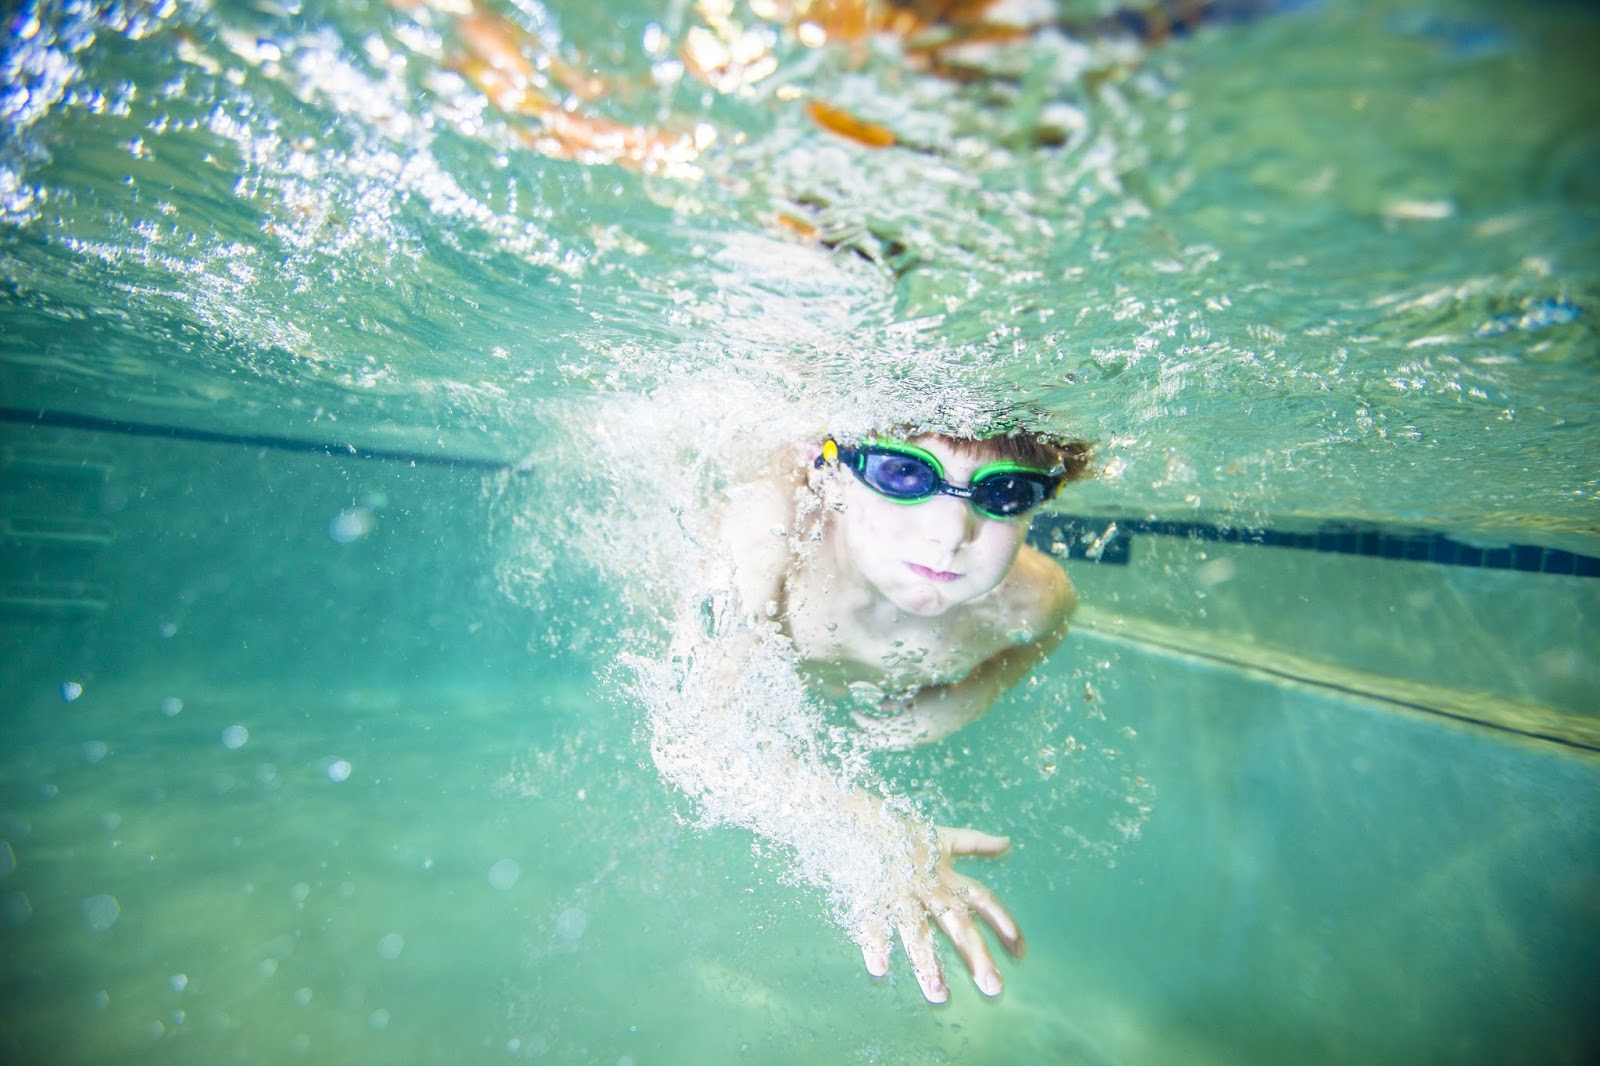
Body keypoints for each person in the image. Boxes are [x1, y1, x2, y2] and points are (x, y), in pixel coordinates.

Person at [643, 423, 1092, 1004]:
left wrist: (969, 697)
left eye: (1004, 492)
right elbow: (695, 732)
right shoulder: (769, 530)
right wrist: (868, 830)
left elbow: (1050, 629)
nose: (950, 534)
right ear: (832, 475)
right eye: (903, 474)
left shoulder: (1033, 599)